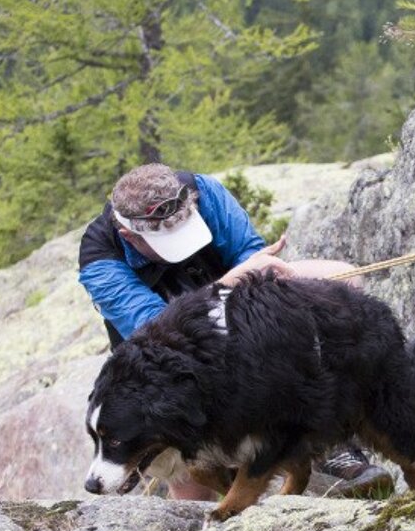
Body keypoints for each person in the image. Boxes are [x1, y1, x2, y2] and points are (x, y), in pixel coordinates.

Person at [77, 163, 394, 499]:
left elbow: (251, 256)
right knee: (192, 489)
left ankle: (331, 435)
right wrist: (231, 283)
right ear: (130, 236)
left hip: (240, 317)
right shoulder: (99, 260)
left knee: (343, 278)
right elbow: (157, 327)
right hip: (168, 357)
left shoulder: (202, 191)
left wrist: (253, 292)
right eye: (168, 243)